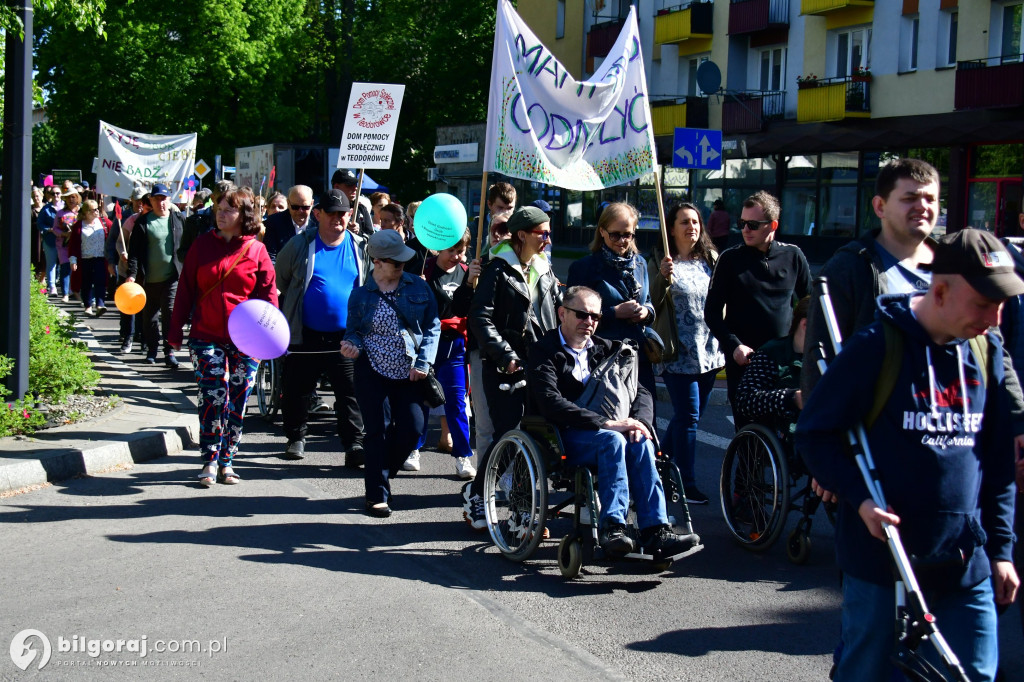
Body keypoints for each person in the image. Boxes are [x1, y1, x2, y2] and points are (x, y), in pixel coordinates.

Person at [796, 229, 1021, 682]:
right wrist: (860, 499)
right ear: (940, 291)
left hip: (965, 560)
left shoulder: (986, 350)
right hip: (883, 561)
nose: (996, 318)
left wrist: (1001, 550)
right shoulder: (875, 347)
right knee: (867, 673)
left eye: (1002, 303)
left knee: (975, 673)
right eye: (983, 303)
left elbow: (997, 462)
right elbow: (814, 434)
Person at [529, 285, 701, 557]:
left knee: (640, 442)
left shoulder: (606, 349)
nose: (589, 322)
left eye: (595, 317)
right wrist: (606, 423)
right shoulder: (544, 351)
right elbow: (550, 402)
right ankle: (614, 527)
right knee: (612, 439)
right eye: (582, 315)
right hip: (563, 436)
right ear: (562, 313)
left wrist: (640, 422)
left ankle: (655, 530)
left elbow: (641, 390)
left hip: (608, 433)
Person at [168, 187, 277, 486]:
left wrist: (269, 338)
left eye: (229, 209)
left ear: (245, 215)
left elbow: (268, 299)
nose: (221, 213)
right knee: (213, 394)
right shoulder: (202, 246)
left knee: (239, 398)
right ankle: (210, 458)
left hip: (246, 340)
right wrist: (175, 331)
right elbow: (185, 290)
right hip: (206, 335)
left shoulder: (256, 251)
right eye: (219, 207)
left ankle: (228, 459)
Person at [463, 205, 560, 529]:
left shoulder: (545, 268)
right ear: (522, 235)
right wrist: (505, 356)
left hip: (539, 365)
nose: (548, 238)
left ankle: (520, 510)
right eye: (542, 233)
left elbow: (554, 314)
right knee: (509, 433)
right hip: (504, 367)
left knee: (534, 436)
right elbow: (480, 318)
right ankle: (477, 494)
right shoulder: (497, 268)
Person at [341, 229, 440, 517]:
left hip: (410, 373)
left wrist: (423, 362)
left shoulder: (418, 288)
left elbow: (433, 327)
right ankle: (377, 495)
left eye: (403, 262)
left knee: (413, 428)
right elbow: (354, 332)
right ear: (377, 261)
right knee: (377, 432)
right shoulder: (360, 295)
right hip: (371, 370)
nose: (401, 267)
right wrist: (351, 345)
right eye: (396, 263)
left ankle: (383, 471)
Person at [275, 189, 368, 467]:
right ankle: (295, 437)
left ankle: (354, 444)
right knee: (297, 389)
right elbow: (281, 278)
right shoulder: (300, 245)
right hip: (306, 333)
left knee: (350, 392)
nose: (338, 219)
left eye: (343, 213)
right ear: (318, 214)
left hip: (346, 336)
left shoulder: (360, 246)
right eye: (332, 213)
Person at [704, 190, 811, 430]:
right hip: (745, 360)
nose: (745, 230)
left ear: (772, 225)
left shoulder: (793, 256)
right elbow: (711, 312)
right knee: (748, 433)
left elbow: (809, 305)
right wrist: (733, 346)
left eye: (752, 224)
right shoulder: (730, 259)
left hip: (785, 360)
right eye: (741, 223)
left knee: (789, 431)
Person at [654, 202, 724, 505]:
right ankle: (687, 484)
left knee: (686, 418)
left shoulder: (711, 259)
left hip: (709, 351)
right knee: (689, 417)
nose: (691, 227)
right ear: (672, 229)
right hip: (677, 353)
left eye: (695, 221)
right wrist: (661, 278)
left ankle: (657, 465)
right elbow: (651, 302)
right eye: (684, 222)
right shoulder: (662, 261)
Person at [567, 201, 656, 399]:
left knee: (645, 420)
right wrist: (614, 313)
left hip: (638, 356)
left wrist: (646, 312)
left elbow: (648, 300)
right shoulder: (584, 268)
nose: (622, 241)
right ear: (602, 231)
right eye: (615, 234)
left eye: (628, 234)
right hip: (603, 359)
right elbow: (572, 318)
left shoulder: (640, 263)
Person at [423, 230, 481, 480]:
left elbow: (463, 308)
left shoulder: (468, 273)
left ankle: (462, 456)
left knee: (457, 402)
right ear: (439, 249)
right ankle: (413, 449)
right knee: (422, 400)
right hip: (426, 344)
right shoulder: (424, 269)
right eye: (452, 251)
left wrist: (470, 284)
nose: (457, 256)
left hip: (454, 345)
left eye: (462, 251)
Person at [126, 183, 186, 368]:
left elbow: (187, 247)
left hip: (171, 278)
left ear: (170, 200)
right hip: (148, 279)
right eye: (157, 199)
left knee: (169, 314)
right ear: (151, 201)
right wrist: (132, 275)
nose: (161, 203)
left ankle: (169, 352)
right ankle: (152, 349)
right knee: (149, 318)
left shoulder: (178, 219)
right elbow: (134, 251)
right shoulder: (143, 222)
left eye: (164, 199)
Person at [734, 296, 810, 429]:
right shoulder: (771, 353)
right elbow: (744, 401)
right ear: (805, 324)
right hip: (789, 432)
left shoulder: (835, 355)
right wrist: (791, 398)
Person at [107, 189, 149, 353]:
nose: (140, 204)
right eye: (137, 200)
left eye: (143, 201)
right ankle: (127, 336)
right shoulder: (130, 220)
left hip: (145, 272)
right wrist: (121, 254)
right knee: (128, 306)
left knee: (144, 307)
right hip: (127, 270)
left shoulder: (153, 220)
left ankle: (143, 338)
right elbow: (118, 242)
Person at [68, 199, 112, 316]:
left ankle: (100, 304)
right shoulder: (79, 226)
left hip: (100, 258)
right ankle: (88, 306)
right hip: (85, 259)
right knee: (86, 283)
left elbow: (114, 233)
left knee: (100, 281)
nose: (97, 211)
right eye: (94, 210)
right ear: (86, 212)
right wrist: (73, 260)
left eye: (97, 209)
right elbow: (73, 245)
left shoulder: (103, 222)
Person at [178, 180, 236, 263]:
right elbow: (181, 254)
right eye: (220, 200)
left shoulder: (237, 222)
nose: (225, 204)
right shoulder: (196, 221)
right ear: (212, 198)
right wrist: (201, 256)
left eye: (229, 201)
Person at [262, 185, 316, 263]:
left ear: (312, 203)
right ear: (288, 203)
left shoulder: (319, 221)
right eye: (295, 207)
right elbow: (270, 257)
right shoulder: (275, 222)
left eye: (305, 207)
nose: (300, 211)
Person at [54, 187, 82, 303]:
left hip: (78, 246)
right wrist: (63, 234)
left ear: (78, 198)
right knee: (65, 268)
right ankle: (65, 294)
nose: (71, 199)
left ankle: (76, 292)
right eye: (68, 197)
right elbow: (55, 228)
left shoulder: (81, 212)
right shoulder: (60, 213)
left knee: (77, 270)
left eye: (73, 197)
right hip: (64, 246)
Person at [332, 169, 374, 238]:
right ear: (336, 187)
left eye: (356, 185)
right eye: (349, 185)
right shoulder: (324, 209)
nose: (355, 188)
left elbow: (372, 237)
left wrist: (358, 232)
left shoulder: (360, 208)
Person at [38, 186, 60, 296]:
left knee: (66, 264)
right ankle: (52, 287)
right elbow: (40, 224)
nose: (56, 196)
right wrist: (49, 229)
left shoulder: (65, 208)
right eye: (53, 194)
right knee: (51, 264)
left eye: (58, 193)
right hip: (50, 240)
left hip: (64, 241)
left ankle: (68, 289)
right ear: (50, 195)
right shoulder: (46, 209)